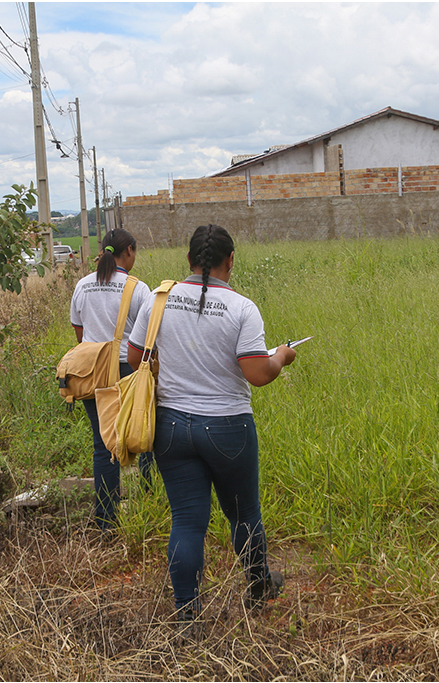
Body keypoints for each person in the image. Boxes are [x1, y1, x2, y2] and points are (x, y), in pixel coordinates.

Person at [127, 224, 296, 620]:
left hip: (171, 428)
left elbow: (136, 359)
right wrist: (283, 356)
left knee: (187, 522)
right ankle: (258, 588)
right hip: (227, 429)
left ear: (188, 260)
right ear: (231, 261)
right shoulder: (242, 308)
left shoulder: (159, 301)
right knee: (243, 514)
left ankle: (187, 613)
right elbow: (256, 372)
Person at [69, 229, 154, 530]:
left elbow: (80, 335)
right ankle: (151, 505)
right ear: (128, 251)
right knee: (143, 437)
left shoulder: (82, 285)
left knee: (103, 445)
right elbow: (146, 339)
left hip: (92, 372)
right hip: (129, 371)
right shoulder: (138, 288)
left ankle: (106, 521)